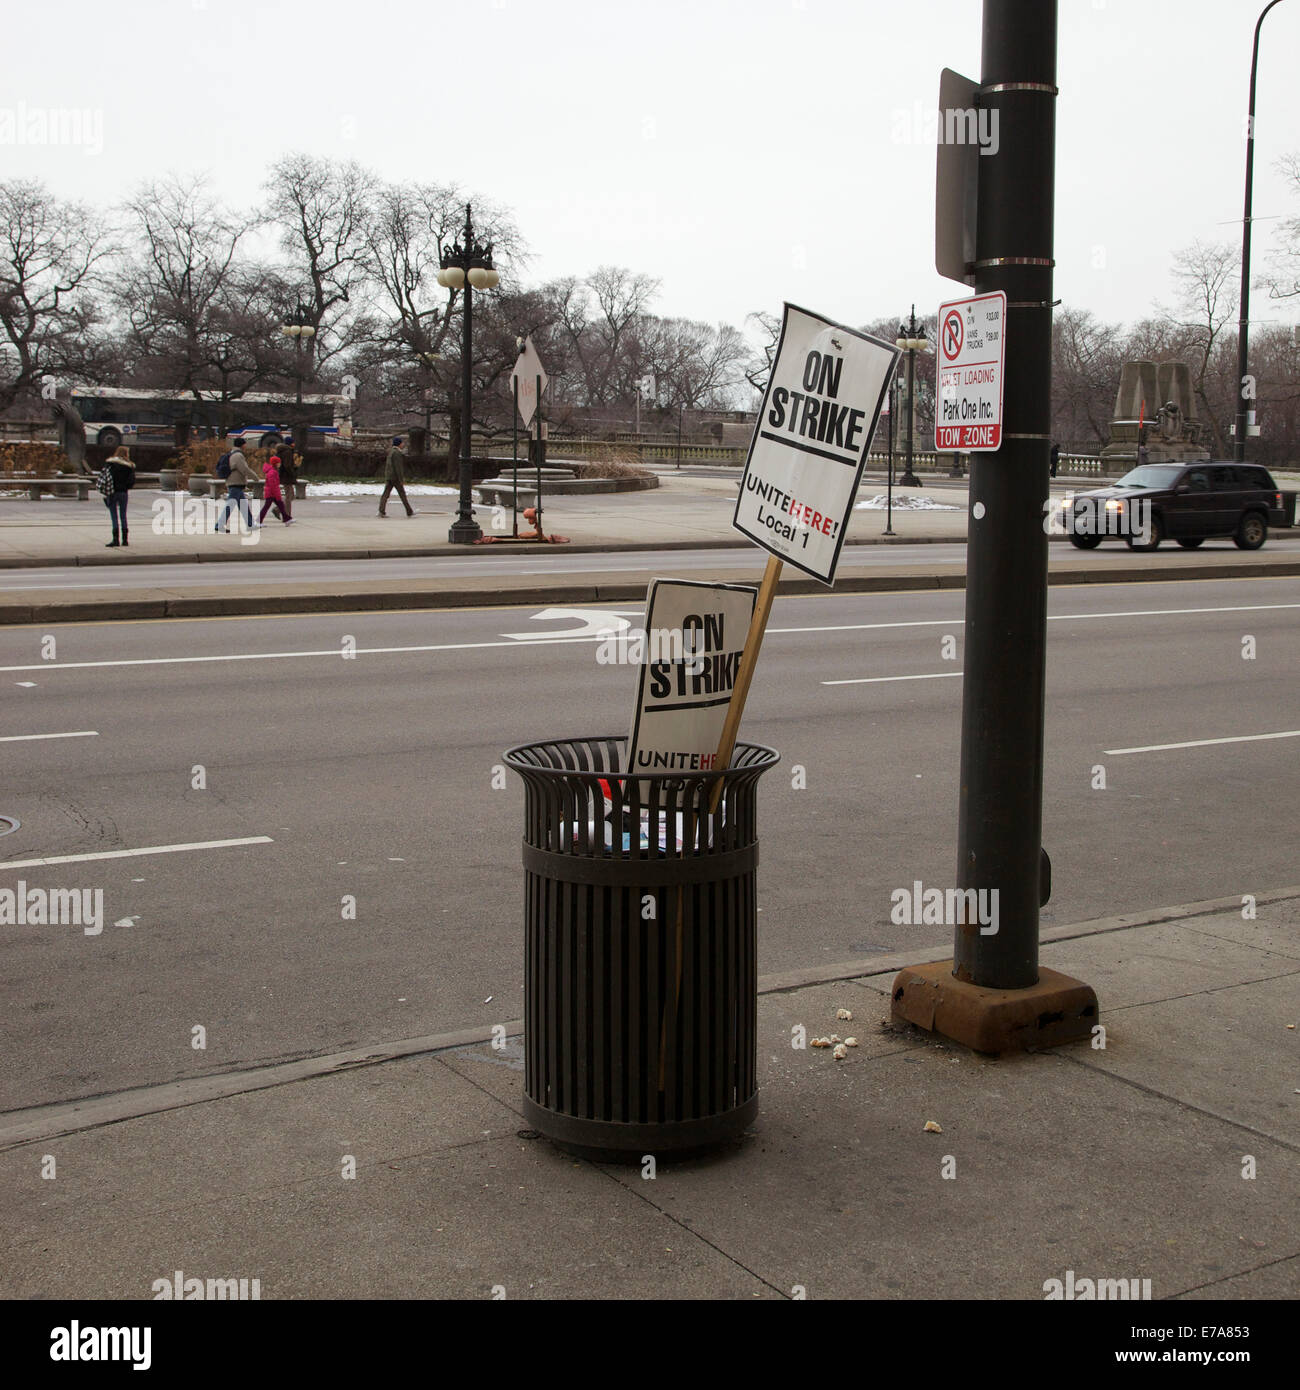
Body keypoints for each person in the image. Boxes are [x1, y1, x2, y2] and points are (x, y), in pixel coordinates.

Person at [215, 438, 255, 532]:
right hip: (235, 482)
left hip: (235, 482)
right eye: (245, 444)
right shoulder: (238, 455)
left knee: (243, 505)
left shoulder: (233, 453)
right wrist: (255, 477)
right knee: (230, 504)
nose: (246, 445)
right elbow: (244, 469)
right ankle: (219, 524)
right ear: (242, 445)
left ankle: (250, 524)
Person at [100, 446, 135, 548]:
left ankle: (115, 539)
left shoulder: (110, 464)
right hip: (123, 492)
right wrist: (126, 487)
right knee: (123, 515)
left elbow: (104, 477)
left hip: (112, 491)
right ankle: (125, 539)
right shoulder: (130, 466)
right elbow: (131, 482)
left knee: (114, 516)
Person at [379, 435, 414, 517]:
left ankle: (381, 510)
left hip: (389, 476)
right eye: (402, 443)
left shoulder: (391, 452)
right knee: (402, 495)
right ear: (399, 444)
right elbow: (398, 467)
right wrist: (401, 479)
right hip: (395, 477)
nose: (403, 445)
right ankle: (409, 511)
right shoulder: (397, 453)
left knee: (385, 494)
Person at [259, 452, 291, 525]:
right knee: (267, 507)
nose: (280, 464)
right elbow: (272, 485)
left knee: (281, 505)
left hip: (272, 493)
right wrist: (276, 495)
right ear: (275, 464)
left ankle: (286, 519)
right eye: (279, 463)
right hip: (271, 493)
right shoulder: (272, 472)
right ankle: (259, 521)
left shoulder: (273, 471)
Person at [278, 439, 297, 521]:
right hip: (287, 476)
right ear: (290, 443)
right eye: (293, 442)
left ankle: (278, 510)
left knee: (291, 496)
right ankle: (287, 516)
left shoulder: (283, 451)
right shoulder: (288, 452)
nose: (294, 444)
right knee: (289, 496)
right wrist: (293, 473)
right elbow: (287, 465)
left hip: (284, 476)